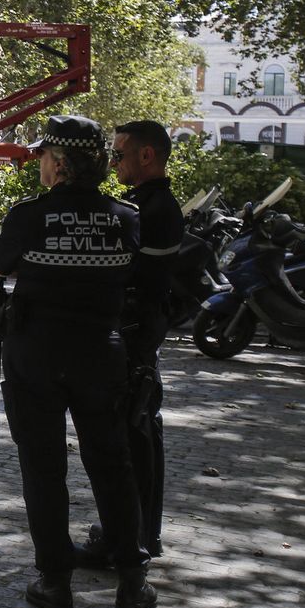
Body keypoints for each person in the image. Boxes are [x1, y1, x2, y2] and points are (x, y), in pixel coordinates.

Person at [0, 115, 157, 608]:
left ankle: (55, 582)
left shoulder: (28, 215)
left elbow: (1, 266)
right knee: (112, 466)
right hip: (99, 354)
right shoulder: (125, 216)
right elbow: (137, 276)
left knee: (43, 470)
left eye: (42, 155)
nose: (38, 163)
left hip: (36, 353)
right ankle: (131, 580)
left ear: (59, 163)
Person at [76, 120, 184, 565]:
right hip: (135, 334)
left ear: (146, 156)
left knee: (130, 439)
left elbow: (128, 277)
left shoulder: (150, 209)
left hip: (135, 337)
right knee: (135, 434)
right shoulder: (146, 204)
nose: (113, 162)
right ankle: (135, 533)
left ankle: (130, 540)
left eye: (119, 154)